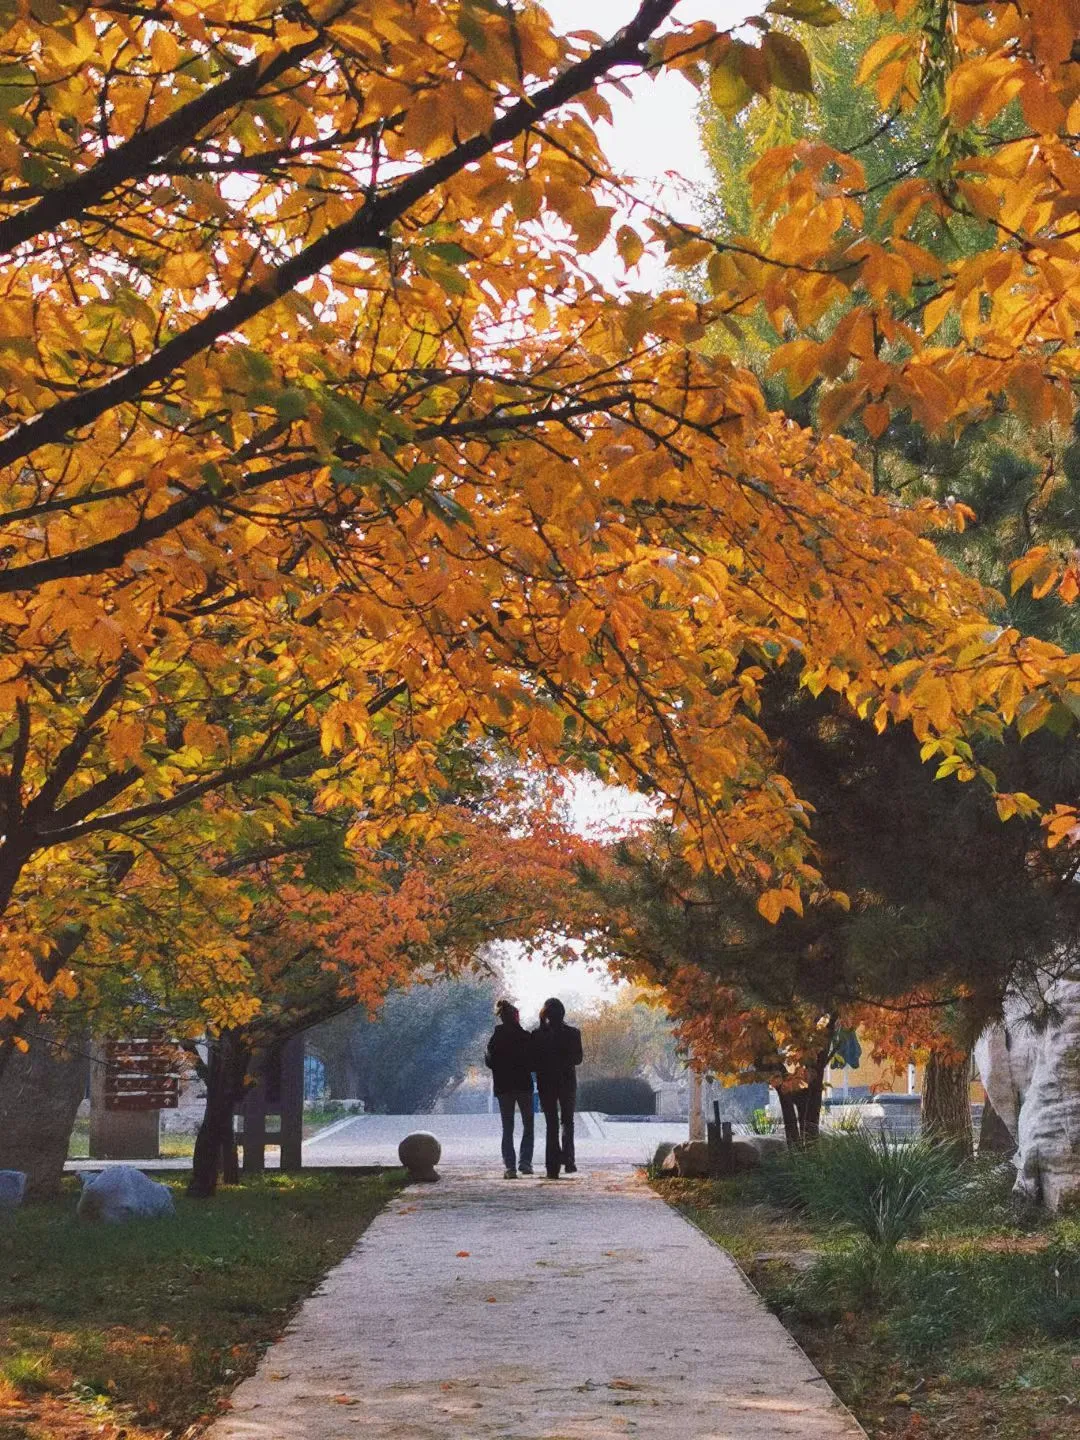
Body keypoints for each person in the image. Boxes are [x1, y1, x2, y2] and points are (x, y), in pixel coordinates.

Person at [484, 999, 535, 1179]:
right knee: (528, 1125)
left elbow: (490, 1062)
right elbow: (533, 1062)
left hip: (504, 1086)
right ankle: (525, 1162)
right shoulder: (525, 1037)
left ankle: (510, 1166)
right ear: (516, 1016)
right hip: (523, 1085)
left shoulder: (496, 1038)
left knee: (508, 1127)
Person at [533, 997, 583, 1179]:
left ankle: (552, 1166)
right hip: (567, 1082)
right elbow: (578, 1059)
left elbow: (532, 1062)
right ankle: (569, 1159)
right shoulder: (573, 1033)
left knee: (551, 1124)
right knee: (567, 1121)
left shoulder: (537, 1035)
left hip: (546, 1083)